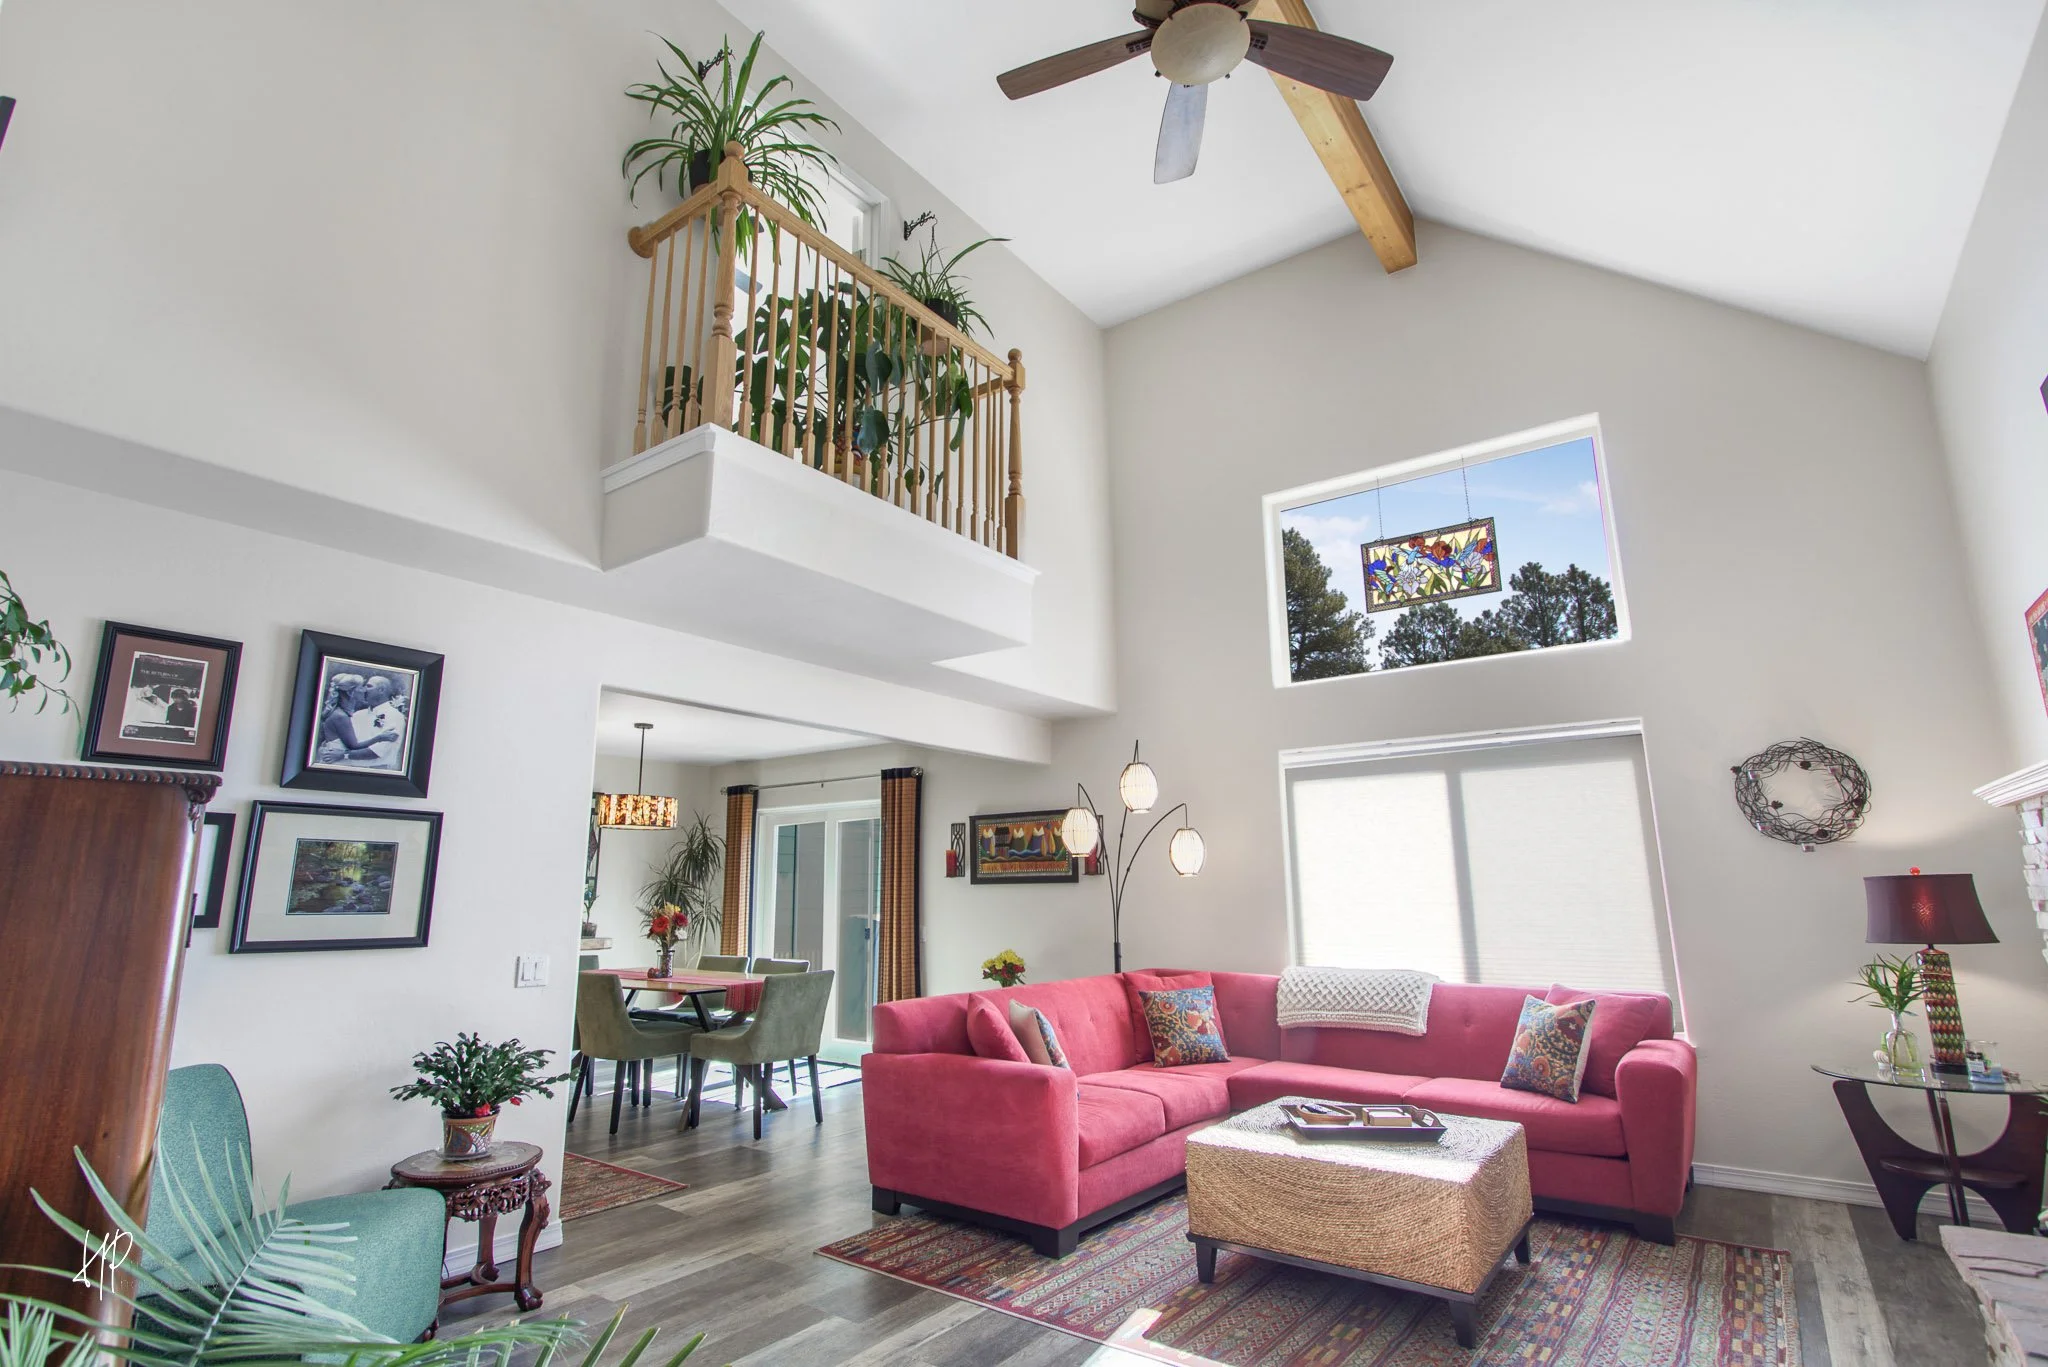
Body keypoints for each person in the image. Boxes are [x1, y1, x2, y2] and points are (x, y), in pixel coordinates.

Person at [314, 672, 399, 765]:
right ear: (351, 692)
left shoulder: (394, 716)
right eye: (362, 687)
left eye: (368, 686)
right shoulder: (341, 716)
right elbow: (353, 746)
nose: (364, 690)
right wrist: (379, 737)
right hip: (337, 763)